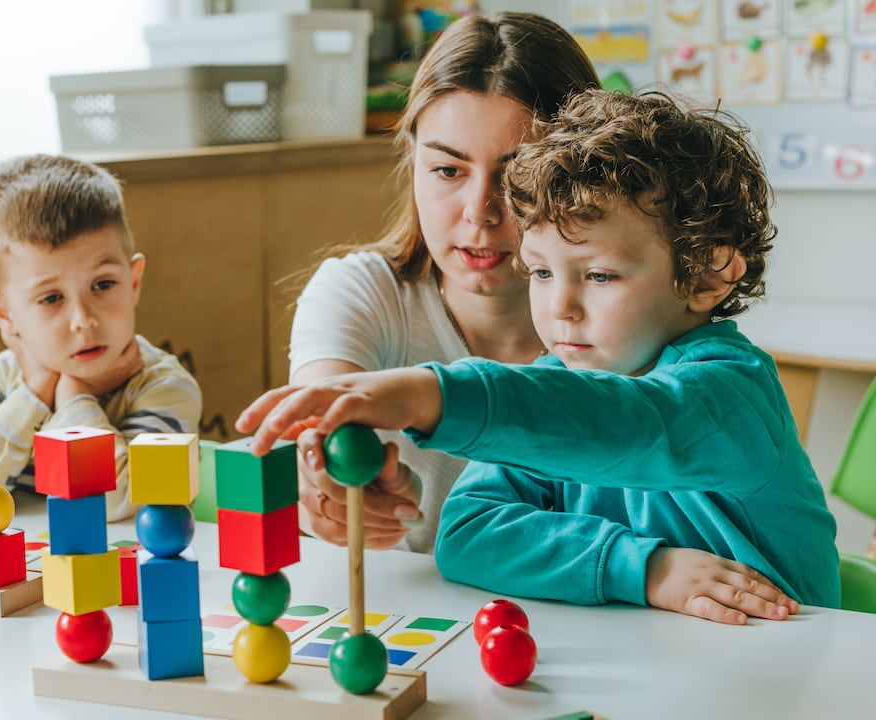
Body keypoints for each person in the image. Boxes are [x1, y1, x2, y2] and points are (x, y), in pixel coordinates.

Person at [238, 90, 840, 623]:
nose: (561, 308)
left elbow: (628, 424)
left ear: (708, 274)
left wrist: (436, 394)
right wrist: (645, 570)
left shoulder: (733, 395)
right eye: (541, 272)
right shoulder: (558, 380)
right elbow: (468, 532)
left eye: (600, 276)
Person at [286, 12, 600, 553]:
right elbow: (321, 416)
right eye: (448, 170)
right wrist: (325, 485)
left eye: (517, 174)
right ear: (413, 161)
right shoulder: (361, 292)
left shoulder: (628, 322)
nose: (479, 213)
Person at [0, 154, 202, 521]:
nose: (84, 320)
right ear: (5, 315)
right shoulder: (1, 380)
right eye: (51, 298)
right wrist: (35, 393)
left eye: (103, 284)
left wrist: (72, 395)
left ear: (133, 282)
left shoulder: (162, 384)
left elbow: (124, 503)